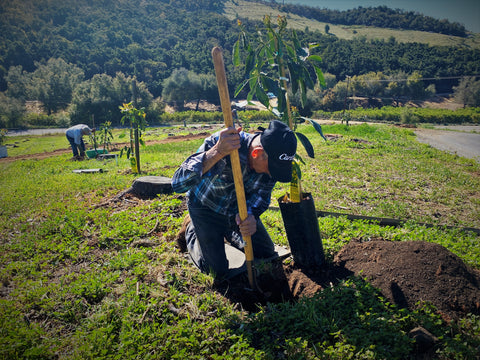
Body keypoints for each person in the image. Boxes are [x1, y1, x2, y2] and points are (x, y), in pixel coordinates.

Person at [172, 120, 297, 278]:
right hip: (205, 208)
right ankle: (191, 226)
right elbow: (178, 184)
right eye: (271, 169)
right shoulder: (221, 143)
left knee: (266, 252)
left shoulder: (272, 164)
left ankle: (228, 230)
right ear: (256, 153)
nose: (273, 175)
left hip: (237, 210)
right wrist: (217, 152)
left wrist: (251, 215)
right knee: (215, 270)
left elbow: (261, 197)